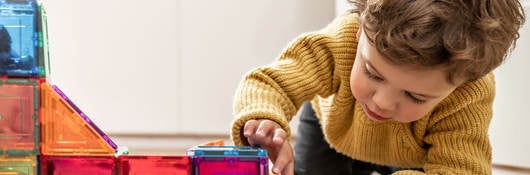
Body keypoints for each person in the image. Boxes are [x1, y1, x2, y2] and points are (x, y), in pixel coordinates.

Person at [230, 0, 525, 174]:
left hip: (414, 158)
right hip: (334, 130)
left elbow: (460, 170)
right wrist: (263, 120)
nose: (382, 102)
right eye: (373, 73)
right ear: (360, 32)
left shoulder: (468, 96)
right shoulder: (341, 40)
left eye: (415, 95)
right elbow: (270, 82)